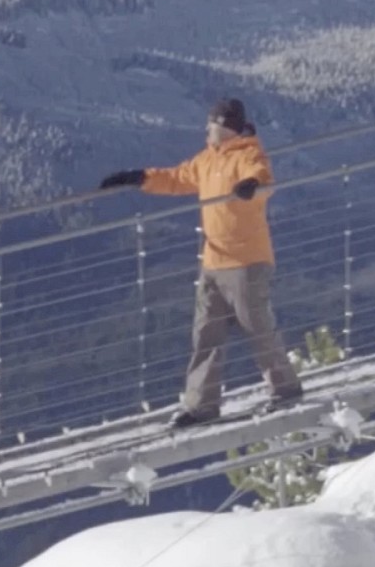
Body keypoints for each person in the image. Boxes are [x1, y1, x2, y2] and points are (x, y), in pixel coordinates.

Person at [99, 97, 304, 427]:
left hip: (246, 260)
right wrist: (137, 178)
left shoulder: (248, 154)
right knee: (206, 333)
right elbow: (178, 178)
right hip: (213, 261)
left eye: (210, 125)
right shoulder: (208, 160)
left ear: (223, 127)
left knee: (258, 328)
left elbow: (262, 178)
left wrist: (252, 186)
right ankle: (201, 406)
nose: (205, 130)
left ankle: (286, 390)